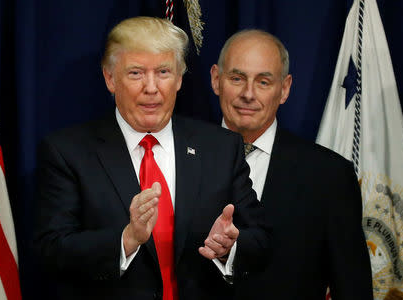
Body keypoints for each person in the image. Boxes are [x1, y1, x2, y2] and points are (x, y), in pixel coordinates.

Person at [34, 17, 271, 300]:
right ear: (110, 78)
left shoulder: (220, 147)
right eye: (136, 73)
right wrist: (126, 239)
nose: (151, 88)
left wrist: (229, 247)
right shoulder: (68, 152)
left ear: (180, 78)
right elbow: (51, 251)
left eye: (163, 72)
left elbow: (261, 239)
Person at [210, 29, 373, 299]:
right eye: (237, 78)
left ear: (284, 89)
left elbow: (352, 287)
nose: (248, 94)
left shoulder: (329, 176)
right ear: (216, 79)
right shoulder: (177, 156)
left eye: (264, 82)